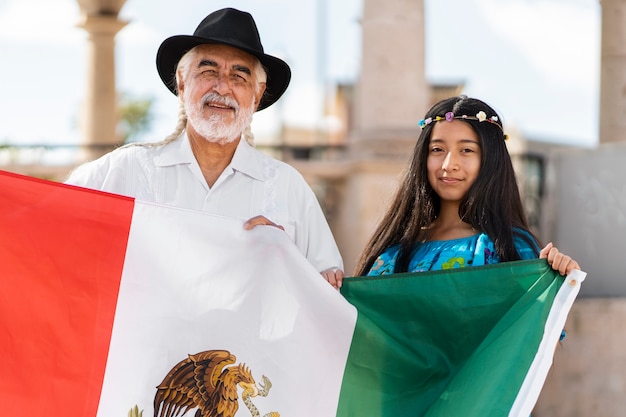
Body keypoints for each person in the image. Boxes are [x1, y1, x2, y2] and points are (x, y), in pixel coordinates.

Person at [65, 8, 344, 283]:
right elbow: (48, 229)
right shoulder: (123, 171)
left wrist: (285, 258)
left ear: (257, 95)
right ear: (182, 82)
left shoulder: (288, 188)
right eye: (209, 70)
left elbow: (326, 295)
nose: (222, 87)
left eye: (239, 76)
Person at [349, 95, 579, 282]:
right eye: (437, 149)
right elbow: (362, 328)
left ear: (490, 160)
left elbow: (540, 336)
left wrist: (561, 284)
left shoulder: (512, 250)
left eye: (467, 150)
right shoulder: (393, 253)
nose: (449, 165)